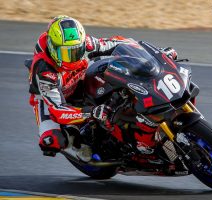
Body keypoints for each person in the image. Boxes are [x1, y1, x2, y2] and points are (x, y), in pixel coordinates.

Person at [28, 15, 178, 162]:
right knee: (53, 140)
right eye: (67, 53)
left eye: (77, 51)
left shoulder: (85, 43)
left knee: (114, 77)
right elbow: (58, 110)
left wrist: (157, 54)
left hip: (78, 78)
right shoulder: (44, 71)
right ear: (53, 49)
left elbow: (121, 43)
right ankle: (79, 149)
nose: (73, 57)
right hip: (51, 98)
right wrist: (91, 112)